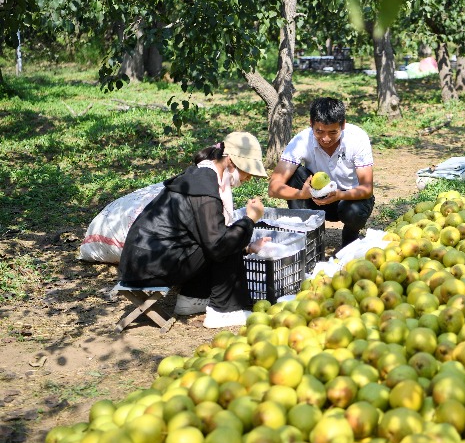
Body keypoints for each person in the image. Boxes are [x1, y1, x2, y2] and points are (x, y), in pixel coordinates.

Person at [118, 132, 270, 329]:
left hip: (141, 261)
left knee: (222, 235)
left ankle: (192, 298)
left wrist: (247, 247)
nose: (248, 178)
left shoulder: (201, 177)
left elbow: (204, 233)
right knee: (227, 240)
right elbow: (219, 244)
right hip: (151, 266)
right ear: (231, 161)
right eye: (247, 171)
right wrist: (249, 220)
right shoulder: (205, 188)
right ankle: (223, 311)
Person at [268, 97, 375, 248]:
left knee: (354, 212)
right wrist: (301, 194)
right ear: (311, 124)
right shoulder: (301, 140)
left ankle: (350, 238)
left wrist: (339, 195)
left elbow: (367, 189)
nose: (326, 138)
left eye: (333, 132)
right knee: (295, 175)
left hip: (349, 200)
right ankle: (309, 236)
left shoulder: (357, 138)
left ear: (343, 125)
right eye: (319, 131)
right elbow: (273, 188)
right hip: (314, 198)